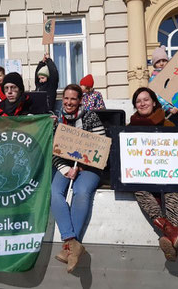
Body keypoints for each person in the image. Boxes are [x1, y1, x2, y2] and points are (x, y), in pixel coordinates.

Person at [50, 84, 105, 273]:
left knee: (81, 192)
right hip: (65, 165)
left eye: (73, 99)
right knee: (54, 193)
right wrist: (66, 169)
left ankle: (70, 248)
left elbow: (101, 148)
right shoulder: (58, 120)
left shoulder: (91, 117)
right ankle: (71, 242)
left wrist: (82, 165)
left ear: (80, 100)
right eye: (66, 98)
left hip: (90, 167)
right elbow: (54, 151)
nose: (69, 102)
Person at [130, 87, 178, 261]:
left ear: (154, 102)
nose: (142, 103)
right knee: (139, 190)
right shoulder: (129, 129)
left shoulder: (168, 125)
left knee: (172, 191)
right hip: (143, 177)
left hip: (167, 176)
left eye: (146, 100)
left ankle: (170, 237)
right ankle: (172, 232)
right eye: (138, 101)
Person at [149, 46, 178, 126]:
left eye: (164, 60)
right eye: (158, 62)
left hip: (175, 109)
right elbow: (156, 95)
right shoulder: (155, 76)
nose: (161, 63)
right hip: (164, 111)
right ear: (154, 65)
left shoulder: (172, 74)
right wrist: (168, 107)